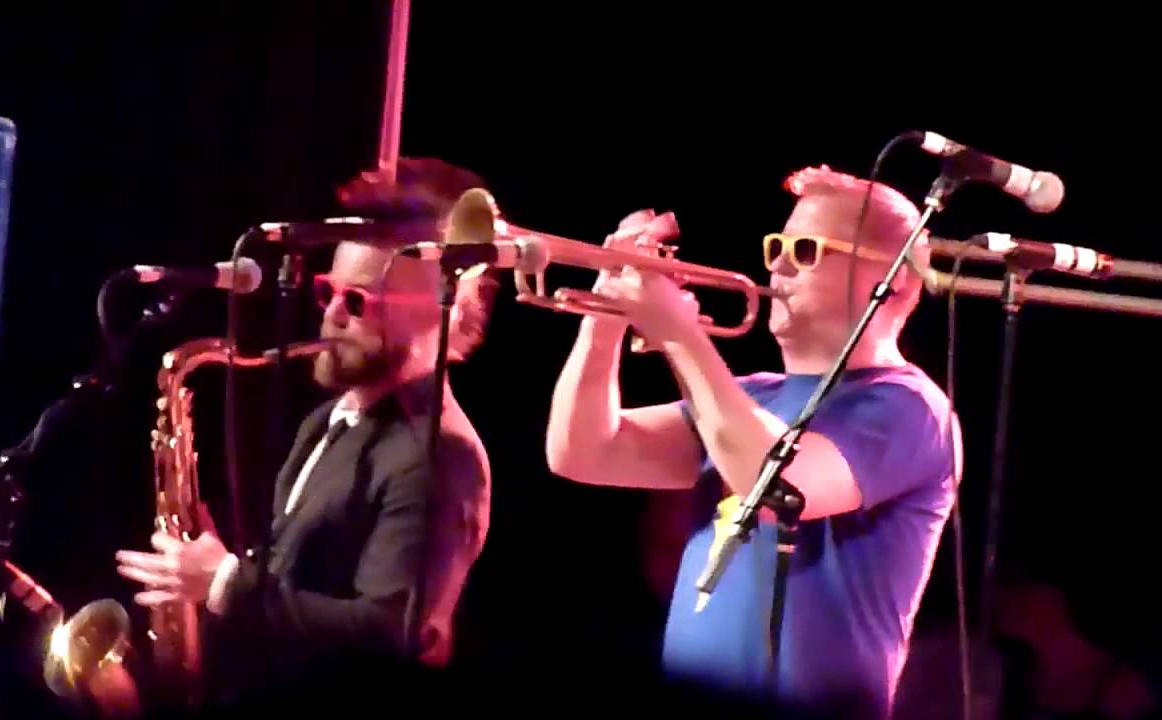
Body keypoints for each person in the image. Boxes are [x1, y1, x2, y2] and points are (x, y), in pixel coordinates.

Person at [545, 165, 961, 718]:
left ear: (894, 281)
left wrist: (679, 334)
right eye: (777, 247)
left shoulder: (909, 407)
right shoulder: (750, 396)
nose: (779, 266)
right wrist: (605, 319)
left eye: (807, 250)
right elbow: (583, 451)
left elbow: (778, 488)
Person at [114, 158, 495, 703]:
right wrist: (218, 570)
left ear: (435, 314)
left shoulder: (438, 454)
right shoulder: (328, 422)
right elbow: (299, 585)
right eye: (326, 291)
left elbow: (394, 632)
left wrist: (225, 583)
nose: (332, 315)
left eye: (357, 301)